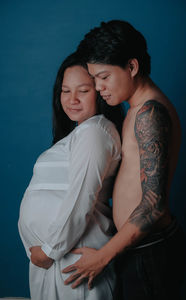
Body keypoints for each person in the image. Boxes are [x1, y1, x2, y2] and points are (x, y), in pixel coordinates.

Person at [62, 20, 186, 299]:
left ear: (132, 67)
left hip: (151, 251)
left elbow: (154, 205)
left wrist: (103, 256)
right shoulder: (137, 109)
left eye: (104, 77)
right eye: (94, 79)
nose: (99, 88)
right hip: (139, 249)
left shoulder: (149, 113)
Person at [18, 52, 125, 300]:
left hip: (71, 263)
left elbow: (81, 198)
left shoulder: (95, 132)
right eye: (66, 91)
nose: (72, 99)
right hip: (53, 262)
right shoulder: (79, 135)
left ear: (99, 93)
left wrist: (48, 250)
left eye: (83, 91)